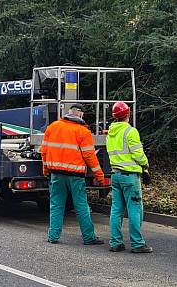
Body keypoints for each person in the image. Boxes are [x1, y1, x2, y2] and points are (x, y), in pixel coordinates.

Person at [41, 103, 105, 245]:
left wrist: (45, 169)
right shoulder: (83, 131)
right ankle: (89, 237)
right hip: (75, 176)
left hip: (56, 174)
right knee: (81, 205)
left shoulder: (53, 127)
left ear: (68, 113)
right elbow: (89, 156)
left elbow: (44, 151)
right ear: (81, 115)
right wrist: (99, 175)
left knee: (56, 205)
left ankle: (53, 236)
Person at [107, 101, 153, 253]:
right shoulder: (130, 131)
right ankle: (137, 243)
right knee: (135, 210)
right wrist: (145, 165)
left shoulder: (110, 133)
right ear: (128, 114)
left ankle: (115, 242)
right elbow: (138, 154)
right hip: (130, 176)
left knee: (116, 210)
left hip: (115, 175)